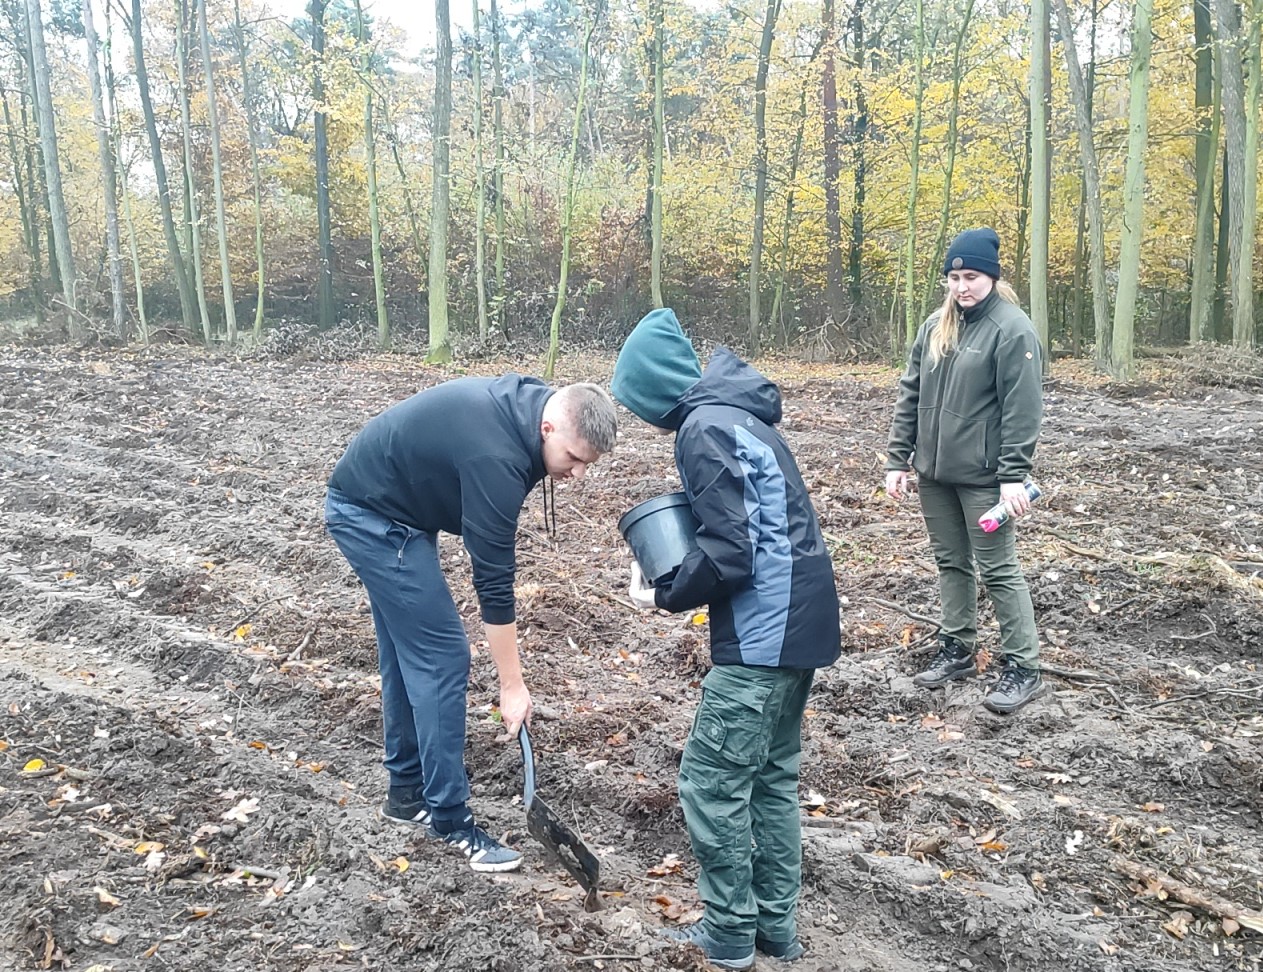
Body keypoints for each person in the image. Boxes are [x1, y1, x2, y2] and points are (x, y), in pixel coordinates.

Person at [611, 308, 841, 970]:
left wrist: (667, 592)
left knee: (711, 782)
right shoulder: (743, 419)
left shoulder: (702, 429)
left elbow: (730, 552)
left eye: (635, 400)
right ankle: (775, 928)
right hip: (803, 625)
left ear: (653, 389)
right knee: (769, 779)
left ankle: (729, 935)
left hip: (762, 635)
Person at [324, 376, 617, 873]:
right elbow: (494, 582)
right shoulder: (496, 457)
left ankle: (406, 794)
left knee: (407, 650)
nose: (579, 474)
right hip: (372, 518)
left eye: (588, 463)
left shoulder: (532, 414)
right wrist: (512, 685)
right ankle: (450, 819)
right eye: (573, 458)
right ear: (548, 428)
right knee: (441, 657)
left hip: (398, 511)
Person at [885, 227, 1045, 714]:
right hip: (934, 473)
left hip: (984, 477)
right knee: (950, 563)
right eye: (953, 277)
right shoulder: (936, 325)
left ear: (992, 277)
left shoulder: (1012, 330)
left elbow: (1023, 410)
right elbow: (910, 393)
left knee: (998, 570)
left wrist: (1013, 474)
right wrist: (898, 458)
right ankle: (957, 649)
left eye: (971, 276)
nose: (961, 287)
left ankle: (1024, 667)